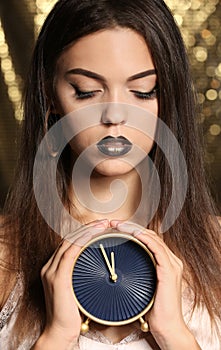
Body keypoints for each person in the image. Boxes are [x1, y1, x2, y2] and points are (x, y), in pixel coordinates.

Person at [0, 0, 220, 349]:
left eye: (143, 91)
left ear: (169, 97)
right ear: (50, 95)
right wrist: (57, 336)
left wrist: (174, 334)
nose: (115, 115)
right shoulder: (4, 253)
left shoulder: (216, 248)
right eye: (87, 91)